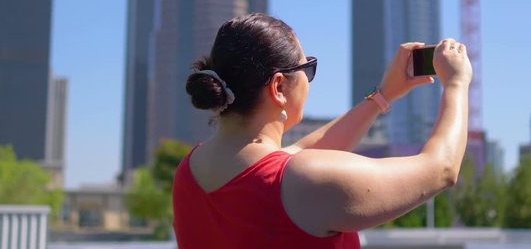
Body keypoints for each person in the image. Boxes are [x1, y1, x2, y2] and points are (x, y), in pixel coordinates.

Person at [173, 13, 472, 248]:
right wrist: (457, 84)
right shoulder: (299, 181)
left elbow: (299, 153)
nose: (310, 80)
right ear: (278, 87)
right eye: (308, 69)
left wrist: (383, 96)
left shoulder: (188, 172)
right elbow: (441, 169)